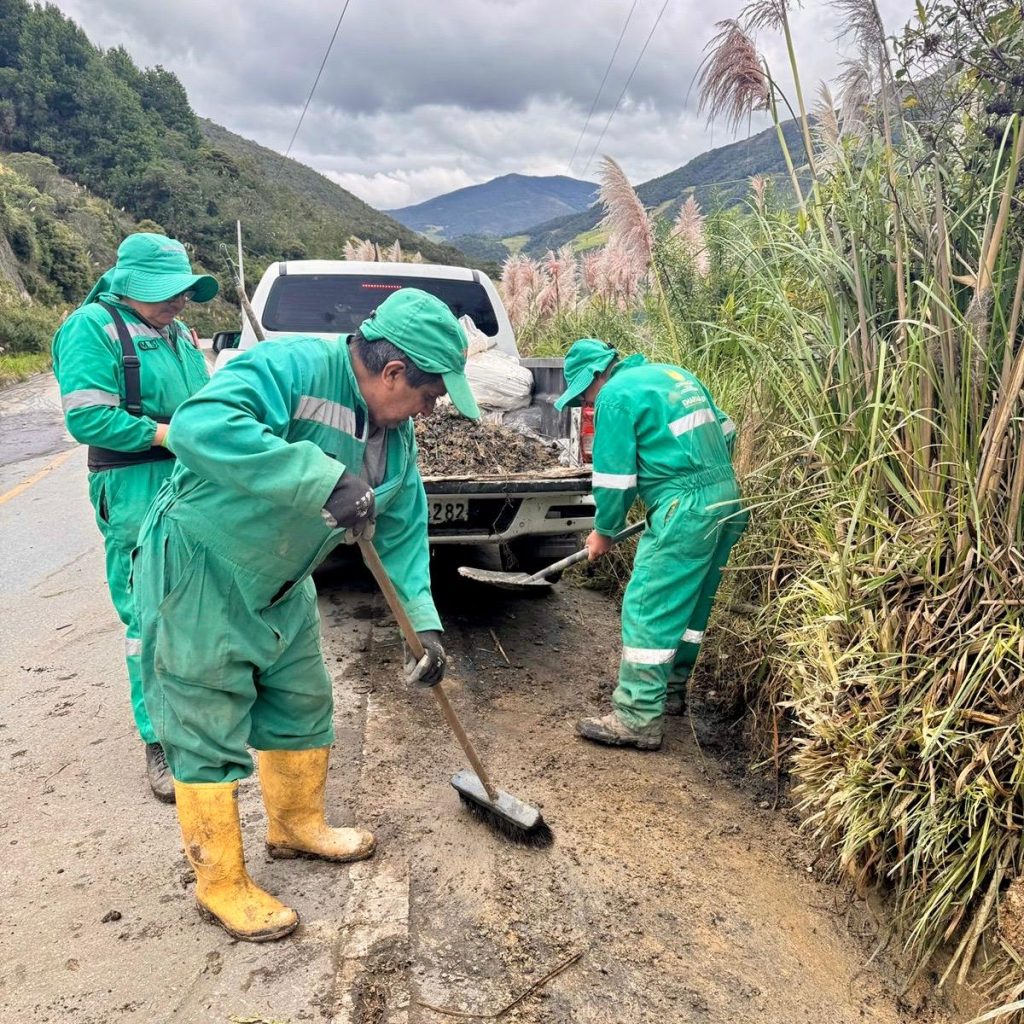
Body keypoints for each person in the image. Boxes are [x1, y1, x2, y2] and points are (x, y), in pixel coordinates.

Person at [134, 287, 480, 942]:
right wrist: (316, 476)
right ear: (393, 373)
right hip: (202, 565)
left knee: (301, 700)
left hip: (284, 577)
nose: (427, 412)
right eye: (429, 396)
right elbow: (197, 427)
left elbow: (402, 534)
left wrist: (423, 627)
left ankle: (295, 827)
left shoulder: (393, 439)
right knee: (205, 717)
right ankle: (220, 883)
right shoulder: (291, 367)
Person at [51, 232, 218, 802]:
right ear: (128, 284)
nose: (179, 301)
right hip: (132, 482)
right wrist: (164, 433)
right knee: (149, 614)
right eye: (167, 291)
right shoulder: (91, 328)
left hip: (190, 480)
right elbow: (88, 420)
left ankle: (198, 719)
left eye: (183, 291)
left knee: (195, 604)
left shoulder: (177, 332)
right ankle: (161, 741)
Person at [554, 339, 747, 751]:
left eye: (583, 395)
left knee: (648, 605)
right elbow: (726, 429)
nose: (586, 404)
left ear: (594, 377)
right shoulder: (673, 375)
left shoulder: (615, 397)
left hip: (687, 508)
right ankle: (671, 691)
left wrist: (604, 531)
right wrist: (695, 484)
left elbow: (614, 480)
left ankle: (637, 715)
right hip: (726, 496)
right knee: (692, 608)